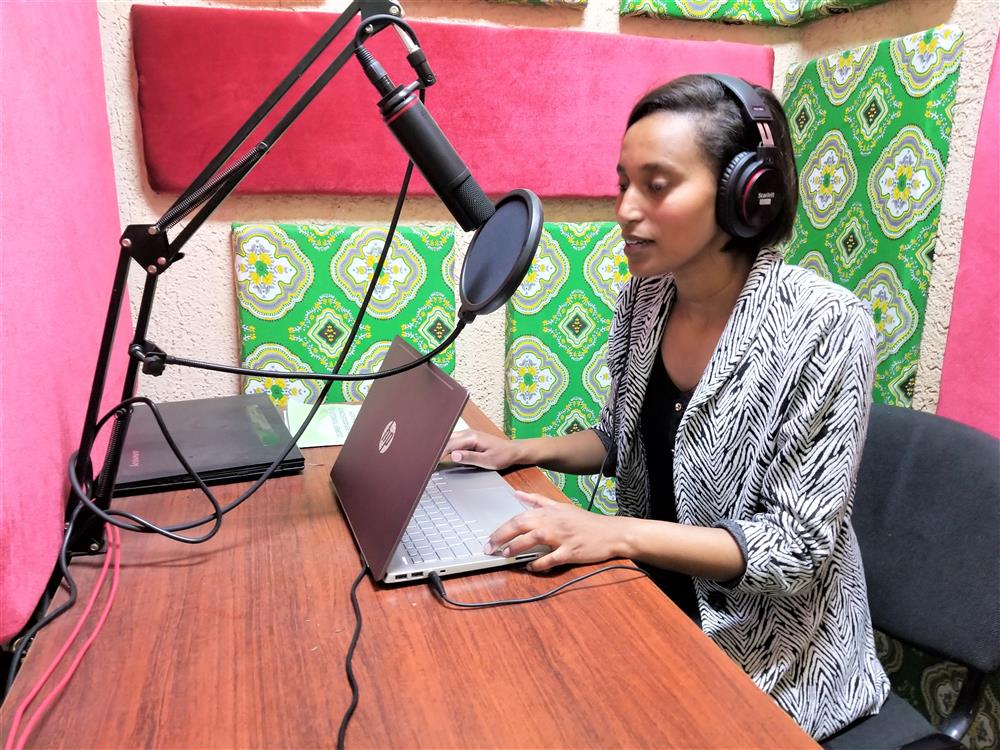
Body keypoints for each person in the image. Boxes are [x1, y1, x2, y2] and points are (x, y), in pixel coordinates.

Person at [444, 74, 890, 740]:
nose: (625, 208)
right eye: (623, 182)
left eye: (656, 185)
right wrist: (521, 450)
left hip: (771, 660)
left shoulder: (827, 326)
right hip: (648, 602)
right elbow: (622, 441)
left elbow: (795, 549)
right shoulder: (645, 297)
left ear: (749, 196)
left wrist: (615, 534)